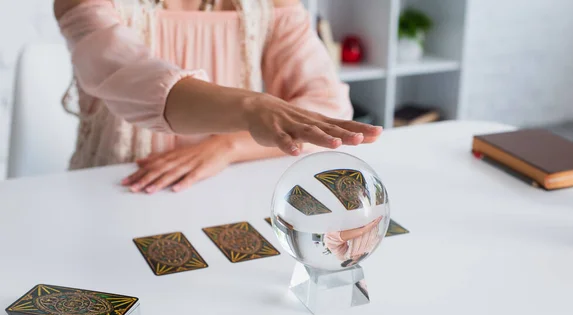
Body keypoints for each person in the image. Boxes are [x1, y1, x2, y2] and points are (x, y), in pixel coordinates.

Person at [54, 0, 383, 194]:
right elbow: (136, 78)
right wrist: (253, 108)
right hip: (117, 186)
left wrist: (228, 146)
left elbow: (328, 104)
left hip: (224, 188)